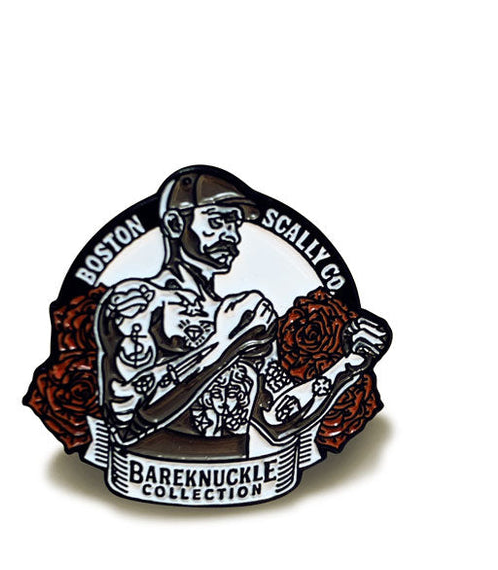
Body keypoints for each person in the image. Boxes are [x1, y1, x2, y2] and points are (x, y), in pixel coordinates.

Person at [94, 167, 388, 460]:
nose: (231, 236)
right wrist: (225, 344)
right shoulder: (139, 302)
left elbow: (276, 420)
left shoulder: (244, 315)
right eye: (217, 221)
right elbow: (124, 422)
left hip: (242, 477)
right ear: (174, 224)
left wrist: (350, 364)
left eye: (235, 225)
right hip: (151, 473)